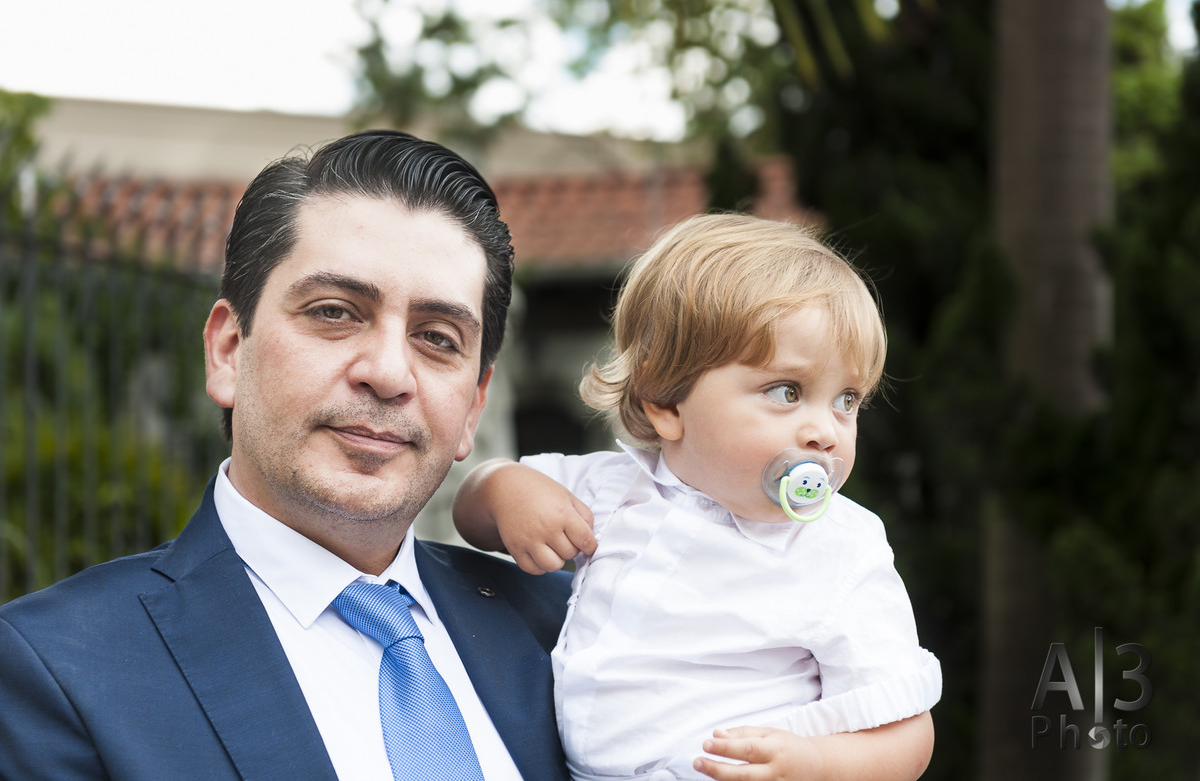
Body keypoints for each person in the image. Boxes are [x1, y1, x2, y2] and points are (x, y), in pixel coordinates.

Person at [0, 130, 573, 780]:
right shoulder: (54, 670)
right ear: (228, 351)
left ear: (473, 406)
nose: (389, 373)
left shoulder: (568, 626)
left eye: (437, 338)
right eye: (334, 312)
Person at [454, 213, 942, 781]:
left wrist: (812, 764)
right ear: (666, 402)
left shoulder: (840, 550)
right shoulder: (613, 489)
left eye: (847, 400)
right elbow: (471, 510)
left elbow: (909, 735)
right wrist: (505, 490)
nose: (825, 432)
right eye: (787, 391)